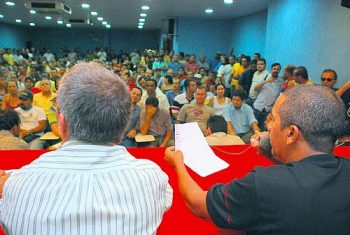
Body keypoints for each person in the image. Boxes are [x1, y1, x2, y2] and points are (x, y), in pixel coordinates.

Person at [0, 62, 173, 234]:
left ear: (62, 123)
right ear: (123, 125)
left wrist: (11, 184)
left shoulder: (14, 187)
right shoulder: (153, 177)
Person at [164, 85, 349, 234]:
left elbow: (197, 203)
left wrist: (178, 162)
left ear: (291, 133)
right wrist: (275, 153)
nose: (267, 126)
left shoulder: (265, 184)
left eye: (272, 120)